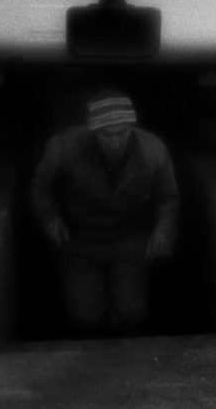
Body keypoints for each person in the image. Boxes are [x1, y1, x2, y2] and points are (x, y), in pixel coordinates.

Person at [32, 89, 179, 336]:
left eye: (121, 133)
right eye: (105, 135)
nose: (114, 142)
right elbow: (41, 187)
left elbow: (168, 197)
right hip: (80, 242)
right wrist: (50, 218)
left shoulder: (154, 150)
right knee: (83, 318)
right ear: (92, 131)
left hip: (129, 241)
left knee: (132, 316)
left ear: (132, 128)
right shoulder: (63, 147)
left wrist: (163, 232)